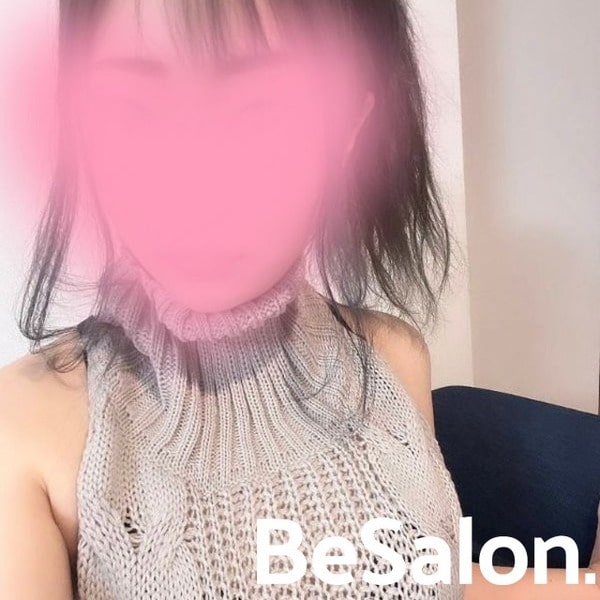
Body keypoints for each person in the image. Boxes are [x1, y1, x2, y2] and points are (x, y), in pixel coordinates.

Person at [0, 1, 598, 598]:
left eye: (260, 108)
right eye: (132, 107)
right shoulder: (27, 425)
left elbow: (422, 581)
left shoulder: (390, 357)